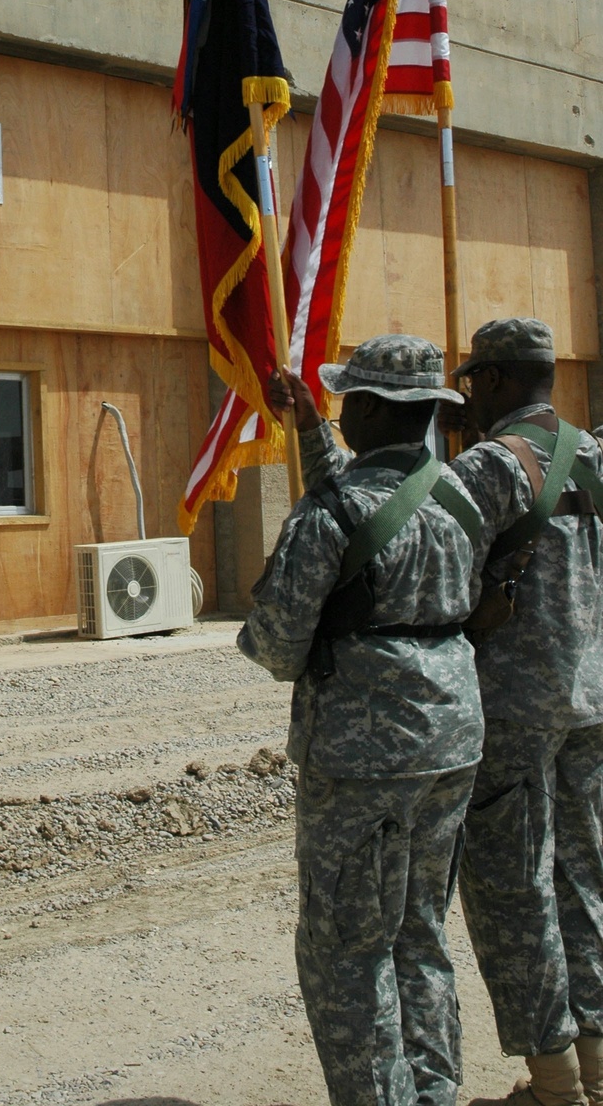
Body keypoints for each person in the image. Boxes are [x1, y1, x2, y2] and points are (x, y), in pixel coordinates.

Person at [239, 335, 485, 1106]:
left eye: (348, 402)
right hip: (451, 740)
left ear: (375, 410)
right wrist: (309, 425)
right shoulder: (460, 496)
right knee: (419, 934)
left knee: (349, 948)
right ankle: (433, 1092)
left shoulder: (326, 516)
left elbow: (277, 648)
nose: (341, 412)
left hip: (362, 754)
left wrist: (275, 593)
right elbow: (369, 498)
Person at [444, 318, 603, 1106]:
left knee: (514, 888)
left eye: (474, 382)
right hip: (591, 699)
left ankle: (555, 1083)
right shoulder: (594, 455)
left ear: (498, 381)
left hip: (511, 705)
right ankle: (599, 1066)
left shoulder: (489, 466)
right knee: (584, 876)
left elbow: (435, 572)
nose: (468, 397)